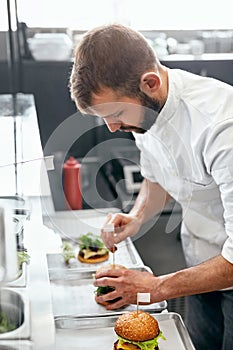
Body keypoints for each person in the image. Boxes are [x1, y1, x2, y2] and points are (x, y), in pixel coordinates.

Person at [69, 24, 233, 349]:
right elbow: (157, 175)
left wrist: (153, 288)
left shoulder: (221, 128)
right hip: (200, 264)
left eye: (115, 113)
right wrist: (137, 216)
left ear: (150, 82)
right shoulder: (145, 107)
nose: (113, 128)